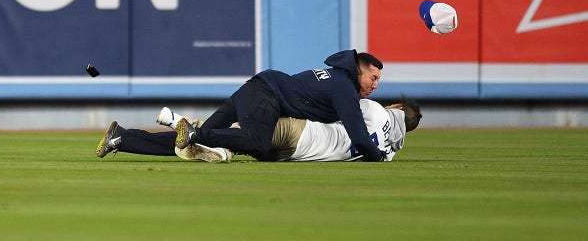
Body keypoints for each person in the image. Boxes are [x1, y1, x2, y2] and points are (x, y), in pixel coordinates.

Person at [173, 49, 387, 161]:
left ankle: (139, 140)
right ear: (358, 70)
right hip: (265, 95)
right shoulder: (344, 89)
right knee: (259, 144)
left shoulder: (336, 78)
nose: (375, 85)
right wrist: (378, 156)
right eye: (373, 77)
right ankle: (195, 133)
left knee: (197, 140)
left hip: (257, 88)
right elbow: (359, 138)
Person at [95, 96, 422, 162]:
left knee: (207, 136)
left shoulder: (374, 109)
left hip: (295, 131)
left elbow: (332, 111)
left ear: (396, 108)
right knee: (210, 142)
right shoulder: (390, 152)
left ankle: (181, 121)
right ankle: (125, 138)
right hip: (294, 155)